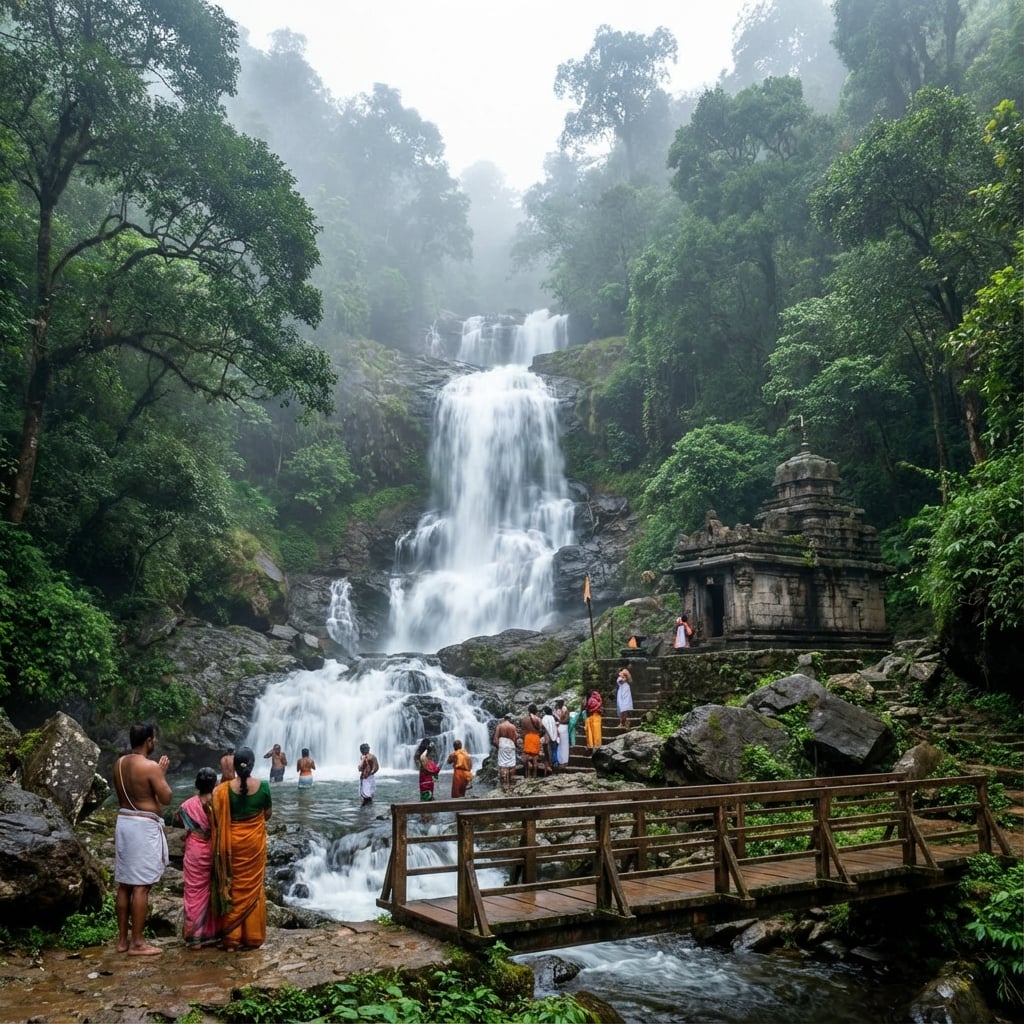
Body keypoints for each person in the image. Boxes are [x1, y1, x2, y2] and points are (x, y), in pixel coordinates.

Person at [112, 722, 172, 956]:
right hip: (143, 827)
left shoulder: (118, 763)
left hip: (124, 822)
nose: (154, 742)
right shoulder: (150, 767)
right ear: (149, 740)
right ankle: (137, 943)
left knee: (125, 883)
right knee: (141, 886)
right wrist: (160, 773)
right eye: (153, 739)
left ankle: (122, 942)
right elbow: (166, 798)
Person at [212, 746, 272, 950]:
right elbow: (267, 814)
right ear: (253, 765)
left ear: (234, 766)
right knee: (253, 888)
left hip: (231, 844)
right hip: (253, 843)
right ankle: (253, 936)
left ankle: (232, 938)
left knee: (234, 886)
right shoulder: (263, 787)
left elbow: (215, 816)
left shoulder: (222, 791)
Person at [175, 767, 221, 949]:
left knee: (194, 891)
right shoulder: (219, 803)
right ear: (214, 784)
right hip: (214, 849)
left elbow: (177, 821)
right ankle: (213, 933)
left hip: (195, 851)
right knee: (213, 890)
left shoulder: (187, 805)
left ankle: (195, 937)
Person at [493, 714, 518, 794]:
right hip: (511, 745)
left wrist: (498, 746)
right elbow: (515, 738)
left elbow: (495, 740)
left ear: (504, 719)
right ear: (510, 720)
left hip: (502, 745)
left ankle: (504, 785)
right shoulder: (513, 727)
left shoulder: (499, 726)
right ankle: (511, 784)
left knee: (503, 764)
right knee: (511, 764)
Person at [519, 703, 543, 779]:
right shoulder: (538, 719)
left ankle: (527, 774)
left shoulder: (524, 719)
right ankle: (535, 775)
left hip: (527, 737)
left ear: (528, 710)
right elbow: (540, 730)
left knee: (527, 757)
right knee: (535, 758)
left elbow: (522, 731)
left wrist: (524, 739)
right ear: (536, 711)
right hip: (536, 737)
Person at [541, 705, 558, 773]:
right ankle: (554, 764)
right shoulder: (552, 717)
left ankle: (549, 767)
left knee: (547, 752)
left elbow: (544, 728)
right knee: (553, 750)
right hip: (554, 736)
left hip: (547, 737)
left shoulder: (544, 718)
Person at [555, 699, 571, 768]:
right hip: (561, 727)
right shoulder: (560, 709)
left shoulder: (564, 709)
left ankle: (563, 762)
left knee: (563, 745)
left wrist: (559, 722)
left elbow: (565, 719)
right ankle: (561, 761)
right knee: (561, 745)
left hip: (563, 727)